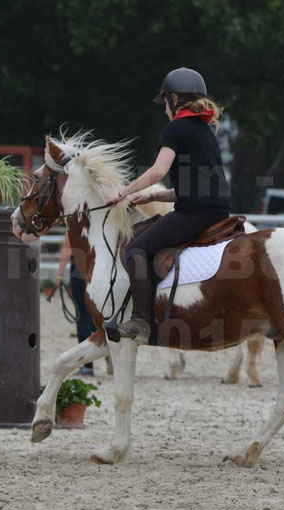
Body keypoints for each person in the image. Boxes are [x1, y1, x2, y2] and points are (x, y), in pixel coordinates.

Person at [105, 67, 231, 340]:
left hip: (194, 214)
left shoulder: (176, 128)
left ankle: (140, 321)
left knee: (135, 249)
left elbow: (158, 171)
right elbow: (191, 187)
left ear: (174, 98)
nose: (164, 110)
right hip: (217, 210)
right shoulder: (205, 131)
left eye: (165, 102)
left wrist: (123, 192)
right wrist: (151, 197)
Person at [49, 234, 96, 375]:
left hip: (80, 270)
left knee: (82, 314)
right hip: (100, 267)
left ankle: (87, 365)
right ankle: (108, 349)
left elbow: (68, 246)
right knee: (97, 314)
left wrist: (59, 276)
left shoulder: (76, 220)